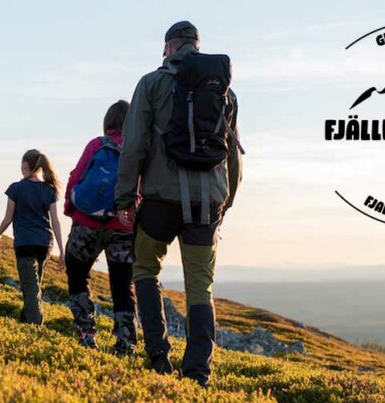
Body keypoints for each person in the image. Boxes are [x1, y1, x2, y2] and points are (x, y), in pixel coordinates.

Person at [114, 21, 242, 386]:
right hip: (208, 204)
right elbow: (233, 155)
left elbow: (134, 144)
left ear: (169, 48)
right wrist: (225, 202)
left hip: (160, 200)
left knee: (146, 269)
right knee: (200, 285)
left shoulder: (152, 83)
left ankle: (158, 356)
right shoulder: (225, 92)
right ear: (197, 47)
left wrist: (125, 197)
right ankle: (198, 372)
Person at [64, 100, 137, 355]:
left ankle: (86, 333)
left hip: (87, 223)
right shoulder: (137, 149)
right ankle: (126, 344)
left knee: (78, 274)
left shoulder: (97, 145)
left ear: (108, 123)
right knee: (123, 284)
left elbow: (76, 177)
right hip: (124, 227)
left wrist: (70, 209)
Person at [0, 149, 64, 325]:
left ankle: (35, 326)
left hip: (25, 243)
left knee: (30, 287)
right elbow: (55, 221)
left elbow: (8, 218)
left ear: (25, 166)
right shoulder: (50, 190)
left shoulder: (16, 188)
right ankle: (24, 322)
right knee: (34, 285)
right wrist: (62, 251)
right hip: (45, 244)